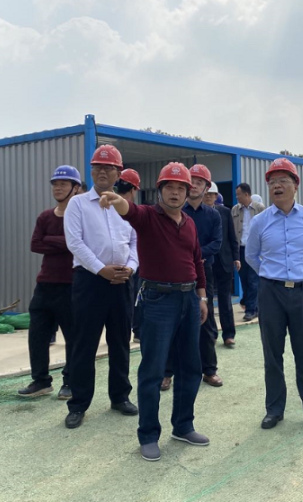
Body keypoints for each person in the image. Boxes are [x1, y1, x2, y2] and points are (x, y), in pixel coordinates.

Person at [99, 162, 210, 461]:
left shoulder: (189, 223)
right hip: (158, 301)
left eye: (181, 188)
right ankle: (148, 435)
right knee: (153, 370)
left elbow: (197, 261)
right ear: (160, 190)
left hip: (189, 300)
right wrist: (116, 199)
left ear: (187, 192)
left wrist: (202, 297)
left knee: (191, 367)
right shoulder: (148, 216)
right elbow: (129, 211)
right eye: (169, 187)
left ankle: (183, 426)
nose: (175, 192)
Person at [246, 158, 303, 431]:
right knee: (272, 355)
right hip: (270, 293)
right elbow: (251, 256)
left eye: (283, 180)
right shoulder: (260, 221)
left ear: (296, 185)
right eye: (273, 182)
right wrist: (272, 275)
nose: (277, 186)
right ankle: (274, 410)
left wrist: (299, 274)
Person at [63, 145, 139, 429]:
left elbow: (136, 241)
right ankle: (78, 404)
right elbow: (75, 242)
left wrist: (131, 267)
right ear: (92, 171)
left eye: (109, 168)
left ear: (119, 173)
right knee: (85, 344)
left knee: (120, 341)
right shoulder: (78, 204)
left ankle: (120, 396)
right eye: (98, 167)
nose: (103, 172)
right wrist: (101, 269)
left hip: (122, 280)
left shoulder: (125, 208)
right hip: (90, 281)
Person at [18, 166, 81, 400]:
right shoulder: (45, 217)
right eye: (55, 183)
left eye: (63, 184)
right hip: (45, 285)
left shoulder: (81, 217)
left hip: (71, 285)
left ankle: (71, 382)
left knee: (73, 338)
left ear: (76, 188)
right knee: (37, 335)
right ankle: (41, 381)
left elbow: (79, 244)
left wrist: (51, 240)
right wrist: (65, 242)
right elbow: (35, 244)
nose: (58, 188)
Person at [161, 164, 222, 390]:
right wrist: (190, 257)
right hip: (176, 273)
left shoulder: (213, 215)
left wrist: (197, 256)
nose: (195, 185)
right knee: (172, 322)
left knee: (206, 321)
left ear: (207, 187)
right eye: (192, 181)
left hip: (205, 273)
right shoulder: (175, 211)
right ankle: (167, 372)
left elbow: (217, 242)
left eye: (199, 182)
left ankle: (209, 370)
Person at [204, 182, 240, 347]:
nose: (208, 197)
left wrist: (236, 257)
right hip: (206, 262)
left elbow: (232, 236)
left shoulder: (225, 212)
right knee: (208, 299)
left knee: (225, 299)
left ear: (216, 196)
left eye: (211, 194)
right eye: (206, 194)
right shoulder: (197, 214)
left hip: (224, 261)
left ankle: (229, 334)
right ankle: (211, 333)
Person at [115, 168, 143, 343]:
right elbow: (136, 242)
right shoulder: (134, 212)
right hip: (130, 268)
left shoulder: (105, 205)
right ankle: (136, 331)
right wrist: (132, 266)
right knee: (135, 299)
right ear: (133, 190)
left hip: (103, 269)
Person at [232, 183, 265, 321]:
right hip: (240, 249)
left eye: (238, 194)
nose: (237, 197)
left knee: (253, 280)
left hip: (255, 249)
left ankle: (251, 310)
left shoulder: (260, 208)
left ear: (246, 194)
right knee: (244, 280)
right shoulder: (235, 210)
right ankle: (253, 306)